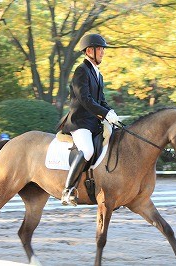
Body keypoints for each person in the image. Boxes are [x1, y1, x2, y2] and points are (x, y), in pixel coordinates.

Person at [59, 33, 120, 206]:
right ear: (89, 50)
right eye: (100, 49)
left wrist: (111, 113)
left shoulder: (98, 74)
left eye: (102, 49)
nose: (102, 52)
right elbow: (85, 100)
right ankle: (68, 189)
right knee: (87, 150)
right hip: (80, 122)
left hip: (94, 123)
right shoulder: (81, 71)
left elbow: (101, 101)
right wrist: (104, 113)